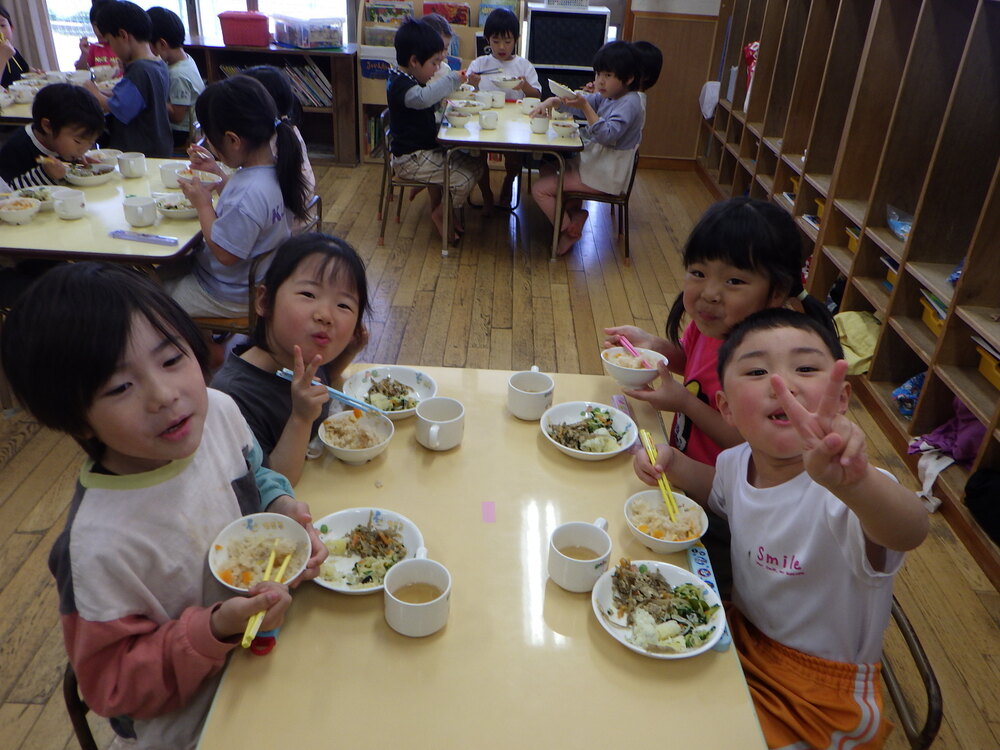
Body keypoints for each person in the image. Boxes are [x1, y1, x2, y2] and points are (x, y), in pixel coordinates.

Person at [0, 262, 328, 750]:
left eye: (171, 359)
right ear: (77, 420)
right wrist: (216, 627)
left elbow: (253, 472)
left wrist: (282, 504)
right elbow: (112, 687)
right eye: (119, 388)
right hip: (191, 720)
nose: (164, 395)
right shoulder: (96, 547)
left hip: (269, 648)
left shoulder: (217, 412)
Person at [634, 308, 928, 749]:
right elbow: (721, 491)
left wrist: (858, 482)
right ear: (726, 407)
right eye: (756, 370)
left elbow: (909, 530)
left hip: (820, 692)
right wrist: (674, 464)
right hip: (742, 637)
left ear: (841, 397)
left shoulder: (846, 491)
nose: (783, 384)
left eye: (806, 368)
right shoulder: (737, 461)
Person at [605, 197, 836, 596]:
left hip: (731, 507)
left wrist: (685, 404)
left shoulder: (764, 366)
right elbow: (688, 359)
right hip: (685, 477)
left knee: (697, 587)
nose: (709, 293)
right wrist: (654, 347)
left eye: (734, 281)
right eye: (697, 272)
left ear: (776, 291)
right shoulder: (710, 326)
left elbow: (753, 444)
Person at [212, 233, 370, 485]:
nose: (325, 315)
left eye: (343, 305)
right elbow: (273, 482)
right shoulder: (232, 396)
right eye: (308, 294)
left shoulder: (302, 359)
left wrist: (349, 352)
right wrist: (301, 417)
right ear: (264, 301)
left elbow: (325, 381)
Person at [162, 75, 309, 319]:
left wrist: (203, 204)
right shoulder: (275, 169)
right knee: (168, 268)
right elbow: (251, 210)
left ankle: (207, 348)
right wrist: (217, 173)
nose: (210, 146)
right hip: (257, 281)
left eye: (211, 139)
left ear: (233, 140)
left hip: (228, 294)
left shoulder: (249, 191)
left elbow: (225, 254)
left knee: (150, 294)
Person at [530, 41, 646, 255]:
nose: (600, 81)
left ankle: (568, 230)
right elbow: (579, 100)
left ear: (628, 79)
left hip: (605, 174)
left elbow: (607, 134)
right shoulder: (611, 96)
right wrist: (553, 101)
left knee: (539, 190)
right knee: (547, 167)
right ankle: (574, 214)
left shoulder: (630, 103)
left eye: (608, 75)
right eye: (599, 74)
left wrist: (584, 106)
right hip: (595, 165)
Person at [387, 18, 482, 243]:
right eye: (435, 63)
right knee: (464, 179)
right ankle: (440, 213)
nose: (438, 68)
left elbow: (427, 102)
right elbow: (422, 99)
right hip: (411, 160)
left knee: (478, 165)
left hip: (426, 152)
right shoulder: (401, 84)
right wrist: (452, 78)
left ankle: (445, 211)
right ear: (414, 61)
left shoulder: (410, 77)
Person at [466, 7, 541, 210]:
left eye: (507, 41)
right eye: (496, 41)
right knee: (477, 156)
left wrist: (525, 86)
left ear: (516, 40)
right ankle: (486, 194)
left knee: (515, 159)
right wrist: (472, 84)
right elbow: (466, 94)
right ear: (487, 39)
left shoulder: (524, 66)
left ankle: (509, 182)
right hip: (484, 121)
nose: (501, 46)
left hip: (514, 124)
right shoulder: (480, 63)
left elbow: (537, 95)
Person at [84, 0, 173, 157]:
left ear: (123, 35)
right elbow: (135, 97)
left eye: (110, 42)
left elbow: (119, 108)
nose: (112, 49)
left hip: (140, 151)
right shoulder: (157, 63)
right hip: (158, 144)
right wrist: (104, 92)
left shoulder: (140, 70)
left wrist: (95, 94)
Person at [0, 82, 105, 189]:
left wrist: (78, 166)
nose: (83, 150)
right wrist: (45, 175)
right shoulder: (17, 149)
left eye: (91, 143)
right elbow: (7, 193)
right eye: (78, 141)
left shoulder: (62, 144)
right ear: (48, 126)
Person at [242, 65, 315, 200]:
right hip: (298, 213)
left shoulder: (266, 144)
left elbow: (250, 198)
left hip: (285, 218)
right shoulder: (287, 128)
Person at [147, 6, 205, 149]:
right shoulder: (186, 59)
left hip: (184, 133)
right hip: (190, 128)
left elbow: (177, 117)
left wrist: (151, 96)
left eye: (149, 47)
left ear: (162, 44)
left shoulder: (178, 75)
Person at [75, 0, 121, 74]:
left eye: (105, 25)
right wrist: (84, 53)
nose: (100, 30)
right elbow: (80, 72)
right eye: (96, 25)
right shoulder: (93, 48)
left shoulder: (122, 47)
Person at [0, 4, 31, 88]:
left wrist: (37, 73)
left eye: (2, 25)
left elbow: (26, 71)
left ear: (11, 28)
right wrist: (2, 57)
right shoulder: (6, 53)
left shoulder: (12, 51)